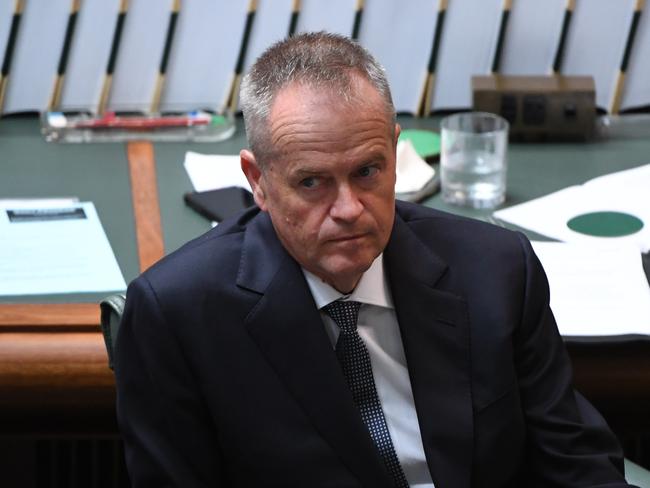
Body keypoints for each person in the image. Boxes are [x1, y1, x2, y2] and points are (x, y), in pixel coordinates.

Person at [115, 32, 634, 487]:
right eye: (312, 182)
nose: (347, 210)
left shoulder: (497, 271)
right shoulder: (178, 314)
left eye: (367, 171)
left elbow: (576, 463)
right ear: (258, 182)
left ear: (394, 152)